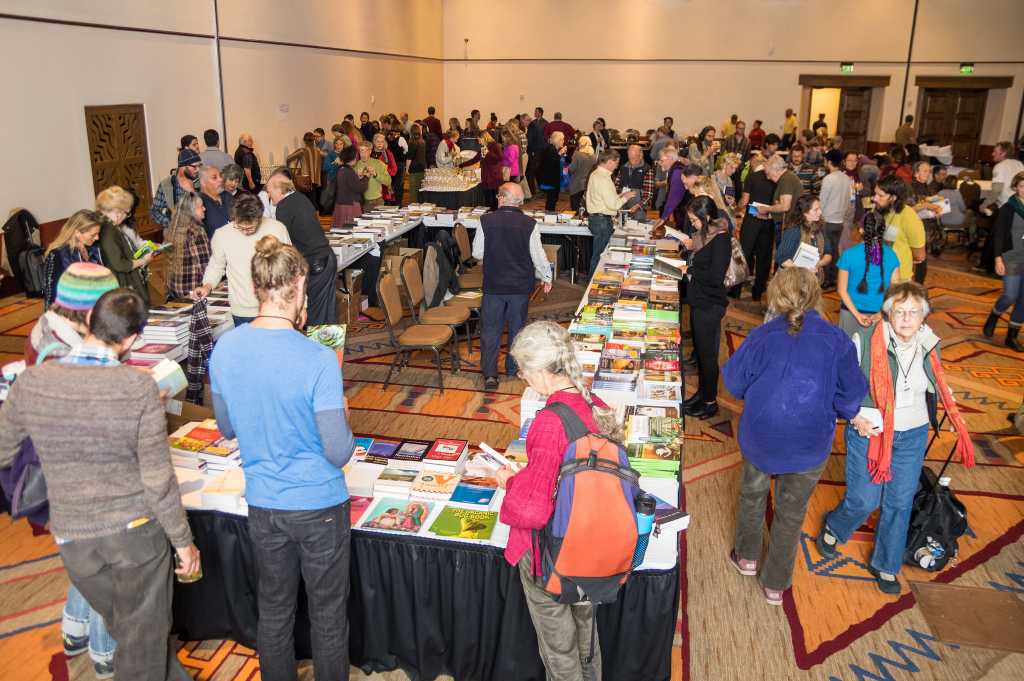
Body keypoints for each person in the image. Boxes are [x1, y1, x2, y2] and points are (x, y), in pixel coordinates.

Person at [0, 288, 201, 681]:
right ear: (131, 339)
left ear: (90, 319)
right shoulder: (137, 387)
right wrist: (184, 543)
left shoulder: (32, 381)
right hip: (134, 539)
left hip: (73, 541)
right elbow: (157, 479)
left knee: (135, 635)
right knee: (141, 649)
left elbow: (5, 451)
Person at [210, 236, 355, 681]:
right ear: (298, 286)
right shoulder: (317, 358)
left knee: (274, 612)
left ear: (256, 288)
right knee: (328, 617)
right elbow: (338, 450)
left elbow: (228, 428)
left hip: (264, 504)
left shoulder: (226, 348)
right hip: (319, 507)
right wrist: (344, 415)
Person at [818, 282, 975, 594]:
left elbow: (934, 381)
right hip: (870, 429)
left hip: (912, 433)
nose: (906, 318)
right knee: (865, 498)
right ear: (887, 313)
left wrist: (948, 401)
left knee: (900, 502)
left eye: (914, 312)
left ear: (923, 317)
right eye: (899, 312)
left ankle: (886, 564)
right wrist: (855, 417)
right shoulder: (863, 338)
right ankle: (836, 525)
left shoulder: (930, 343)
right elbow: (839, 384)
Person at [724, 267, 867, 605]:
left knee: (753, 494)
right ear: (817, 297)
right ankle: (775, 583)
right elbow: (850, 398)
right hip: (810, 440)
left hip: (762, 434)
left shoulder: (762, 336)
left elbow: (733, 383)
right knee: (791, 511)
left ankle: (746, 557)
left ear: (776, 297)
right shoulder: (837, 340)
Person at [494, 320, 615, 680]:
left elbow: (532, 508)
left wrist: (511, 484)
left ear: (542, 370)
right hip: (591, 542)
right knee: (586, 636)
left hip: (552, 553)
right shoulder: (593, 400)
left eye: (523, 370)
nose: (523, 378)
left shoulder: (550, 422)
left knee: (559, 649)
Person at [472, 183, 553, 391]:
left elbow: (477, 253)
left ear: (500, 198)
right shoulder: (529, 224)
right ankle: (512, 368)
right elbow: (537, 255)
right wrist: (546, 276)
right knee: (517, 330)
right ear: (520, 201)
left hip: (493, 285)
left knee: (490, 330)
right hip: (520, 286)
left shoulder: (485, 221)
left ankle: (490, 374)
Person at [192, 192, 292, 326]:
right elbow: (216, 266)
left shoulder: (277, 229)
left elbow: (291, 267)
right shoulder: (222, 235)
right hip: (242, 311)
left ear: (259, 218)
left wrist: (300, 305)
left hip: (275, 307)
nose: (245, 231)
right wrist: (207, 285)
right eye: (240, 226)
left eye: (250, 227)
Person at [682, 196, 732, 419]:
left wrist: (689, 271)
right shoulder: (705, 234)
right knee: (702, 354)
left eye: (695, 220)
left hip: (709, 304)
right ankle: (701, 394)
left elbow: (715, 276)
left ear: (707, 216)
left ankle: (710, 401)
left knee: (708, 356)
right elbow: (698, 258)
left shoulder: (720, 239)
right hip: (699, 300)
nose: (693, 224)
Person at [267, 173, 338, 326]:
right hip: (327, 256)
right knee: (329, 312)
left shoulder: (284, 206)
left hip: (315, 262)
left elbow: (283, 241)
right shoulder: (300, 197)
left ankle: (317, 349)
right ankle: (332, 349)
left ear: (279, 189)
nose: (269, 195)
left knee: (315, 314)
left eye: (270, 191)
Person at [837, 211, 900, 336]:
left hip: (850, 313)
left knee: (849, 351)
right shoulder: (892, 255)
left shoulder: (849, 255)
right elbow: (896, 289)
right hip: (880, 313)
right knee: (876, 352)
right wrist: (882, 313)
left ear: (861, 230)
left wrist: (857, 315)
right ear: (883, 230)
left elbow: (841, 290)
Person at [984, 170, 1024, 351]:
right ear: (1016, 187)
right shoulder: (1009, 208)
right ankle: (995, 314)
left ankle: (1012, 336)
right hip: (1011, 257)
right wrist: (998, 258)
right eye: (1022, 186)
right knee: (1010, 295)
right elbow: (998, 235)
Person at [96, 186, 151, 305]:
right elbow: (120, 264)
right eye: (127, 213)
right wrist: (143, 260)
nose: (126, 216)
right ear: (118, 212)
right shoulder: (108, 230)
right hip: (120, 285)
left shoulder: (106, 226)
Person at [585, 151, 636, 275]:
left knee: (598, 254)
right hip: (602, 221)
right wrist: (626, 197)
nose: (617, 166)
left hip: (597, 219)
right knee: (600, 256)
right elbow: (613, 205)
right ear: (609, 162)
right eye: (616, 162)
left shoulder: (595, 174)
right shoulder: (603, 178)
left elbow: (603, 198)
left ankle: (592, 282)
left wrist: (619, 195)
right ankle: (592, 283)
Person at [42, 210, 105, 308]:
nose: (97, 238)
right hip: (73, 310)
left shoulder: (94, 249)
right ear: (77, 232)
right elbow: (51, 293)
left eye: (98, 233)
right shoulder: (58, 254)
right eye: (93, 235)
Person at [738, 153, 776, 302]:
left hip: (752, 220)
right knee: (764, 257)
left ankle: (736, 289)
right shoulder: (774, 177)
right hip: (768, 220)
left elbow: (745, 200)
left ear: (754, 162)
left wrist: (736, 207)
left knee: (744, 254)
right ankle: (758, 291)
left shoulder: (752, 177)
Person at [874, 174, 926, 283]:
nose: (875, 198)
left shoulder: (908, 216)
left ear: (893, 198)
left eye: (880, 195)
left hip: (898, 278)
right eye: (875, 194)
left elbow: (920, 255)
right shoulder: (879, 210)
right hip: (876, 274)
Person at [775, 195, 833, 287]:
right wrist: (803, 269)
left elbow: (828, 253)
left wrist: (818, 264)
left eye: (820, 208)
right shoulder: (794, 230)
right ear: (805, 213)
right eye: (816, 209)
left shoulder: (820, 228)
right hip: (791, 282)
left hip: (813, 281)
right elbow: (781, 257)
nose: (820, 212)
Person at [163, 192, 211, 301]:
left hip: (175, 290)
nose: (204, 209)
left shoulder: (172, 228)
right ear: (191, 211)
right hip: (193, 291)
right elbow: (204, 265)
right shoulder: (196, 231)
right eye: (201, 207)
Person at [819, 149, 855, 285]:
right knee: (834, 251)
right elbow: (849, 200)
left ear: (829, 162)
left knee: (825, 251)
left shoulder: (828, 179)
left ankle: (825, 280)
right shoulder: (847, 179)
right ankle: (834, 278)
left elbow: (822, 202)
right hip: (840, 221)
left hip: (827, 220)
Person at [759, 155, 804, 247]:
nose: (768, 177)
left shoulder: (786, 179)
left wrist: (766, 209)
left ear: (775, 169)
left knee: (783, 256)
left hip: (788, 225)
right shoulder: (786, 178)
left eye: (768, 173)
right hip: (788, 223)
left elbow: (785, 206)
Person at [151, 148, 200, 229]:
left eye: (199, 166)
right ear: (182, 167)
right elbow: (154, 211)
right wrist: (171, 223)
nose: (198, 169)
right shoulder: (167, 185)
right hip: (178, 237)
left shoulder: (201, 181)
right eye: (195, 167)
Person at [333, 145, 369, 228]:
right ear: (352, 157)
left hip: (341, 204)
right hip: (350, 205)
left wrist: (358, 178)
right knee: (351, 230)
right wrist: (366, 177)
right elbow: (360, 188)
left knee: (341, 229)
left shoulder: (341, 169)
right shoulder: (349, 171)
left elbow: (349, 185)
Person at [615, 143, 655, 218]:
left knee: (638, 226)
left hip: (638, 207)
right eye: (629, 157)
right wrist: (617, 201)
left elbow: (648, 193)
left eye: (634, 158)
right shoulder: (623, 167)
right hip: (622, 204)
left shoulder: (647, 169)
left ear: (640, 156)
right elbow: (616, 186)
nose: (631, 160)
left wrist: (638, 206)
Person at [197, 164, 235, 238]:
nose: (221, 179)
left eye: (220, 176)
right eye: (214, 178)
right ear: (203, 182)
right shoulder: (199, 203)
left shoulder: (227, 195)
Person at [285, 132, 323, 203]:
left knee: (305, 201)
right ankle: (315, 214)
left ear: (304, 141)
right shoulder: (318, 151)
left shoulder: (302, 150)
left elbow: (288, 158)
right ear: (313, 140)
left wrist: (288, 168)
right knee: (313, 202)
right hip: (316, 180)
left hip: (305, 180)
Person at [355, 140, 391, 210]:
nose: (363, 154)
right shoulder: (355, 165)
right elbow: (352, 186)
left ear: (370, 152)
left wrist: (375, 174)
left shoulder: (379, 163)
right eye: (361, 151)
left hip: (377, 201)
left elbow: (388, 181)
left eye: (365, 151)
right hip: (362, 202)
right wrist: (358, 178)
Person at [988, 141, 1024, 210]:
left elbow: (996, 191)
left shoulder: (999, 166)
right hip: (1020, 204)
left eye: (995, 152)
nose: (992, 154)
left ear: (1003, 154)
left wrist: (984, 205)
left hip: (1005, 206)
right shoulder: (1019, 164)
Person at [538, 131, 567, 211]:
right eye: (562, 139)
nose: (563, 141)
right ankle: (549, 216)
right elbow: (552, 163)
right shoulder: (550, 149)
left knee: (553, 199)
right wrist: (560, 154)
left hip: (553, 179)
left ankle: (550, 214)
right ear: (558, 140)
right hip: (551, 180)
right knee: (551, 200)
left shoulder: (554, 149)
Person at [567, 135, 597, 213]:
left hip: (577, 185)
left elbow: (572, 168)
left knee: (575, 208)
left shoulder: (577, 154)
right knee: (586, 207)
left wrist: (566, 168)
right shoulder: (594, 157)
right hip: (588, 185)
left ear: (581, 144)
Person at [385, 124, 408, 205]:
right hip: (399, 164)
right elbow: (406, 151)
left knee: (391, 184)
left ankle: (392, 202)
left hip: (390, 164)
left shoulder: (387, 139)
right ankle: (397, 203)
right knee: (399, 185)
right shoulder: (401, 139)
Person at [480, 137, 505, 209]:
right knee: (489, 198)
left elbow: (500, 158)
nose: (478, 142)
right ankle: (491, 212)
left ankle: (496, 213)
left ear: (484, 138)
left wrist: (488, 153)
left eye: (479, 139)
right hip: (487, 177)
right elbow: (477, 159)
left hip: (494, 176)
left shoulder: (495, 145)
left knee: (495, 198)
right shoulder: (483, 148)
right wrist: (462, 165)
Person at [407, 123, 427, 203]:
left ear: (411, 132)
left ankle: (414, 209)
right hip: (422, 168)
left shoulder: (412, 142)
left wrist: (407, 169)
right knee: (421, 190)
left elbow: (409, 157)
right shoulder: (423, 142)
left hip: (414, 169)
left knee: (413, 192)